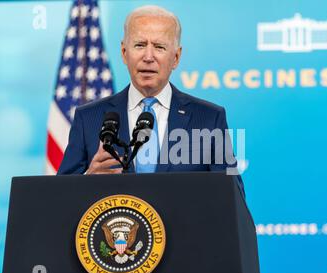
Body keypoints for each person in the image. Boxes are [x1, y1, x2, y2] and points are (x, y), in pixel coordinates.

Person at [57, 5, 244, 195]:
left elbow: (233, 197)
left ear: (176, 57)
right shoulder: (88, 118)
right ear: (124, 52)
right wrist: (88, 179)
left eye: (159, 47)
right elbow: (60, 198)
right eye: (139, 45)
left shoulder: (209, 119)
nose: (148, 57)